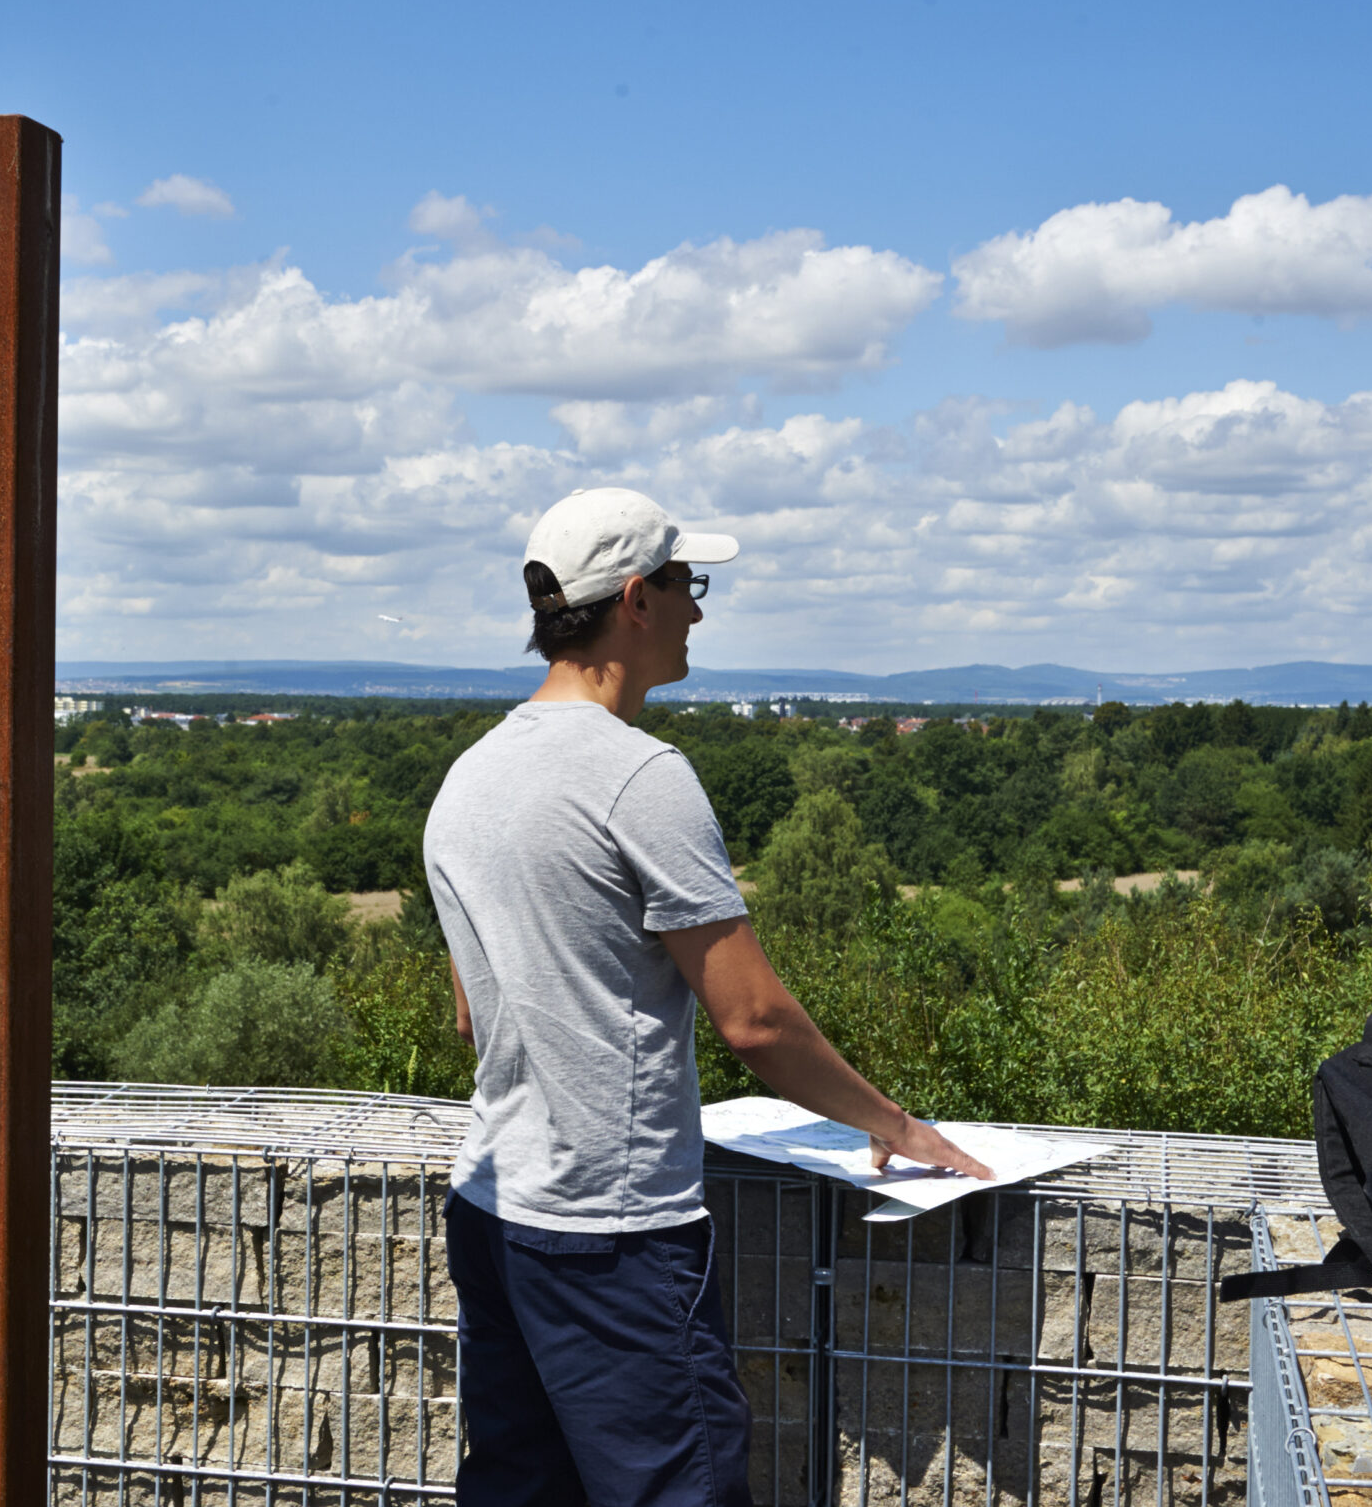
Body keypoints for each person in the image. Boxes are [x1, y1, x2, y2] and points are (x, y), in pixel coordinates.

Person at [423, 486, 990, 1507]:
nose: (697, 608)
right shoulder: (641, 776)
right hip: (612, 1232)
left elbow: (475, 1015)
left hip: (492, 1209)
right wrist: (897, 1124)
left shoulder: (469, 776)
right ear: (634, 599)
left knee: (519, 1487)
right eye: (688, 583)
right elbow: (754, 1020)